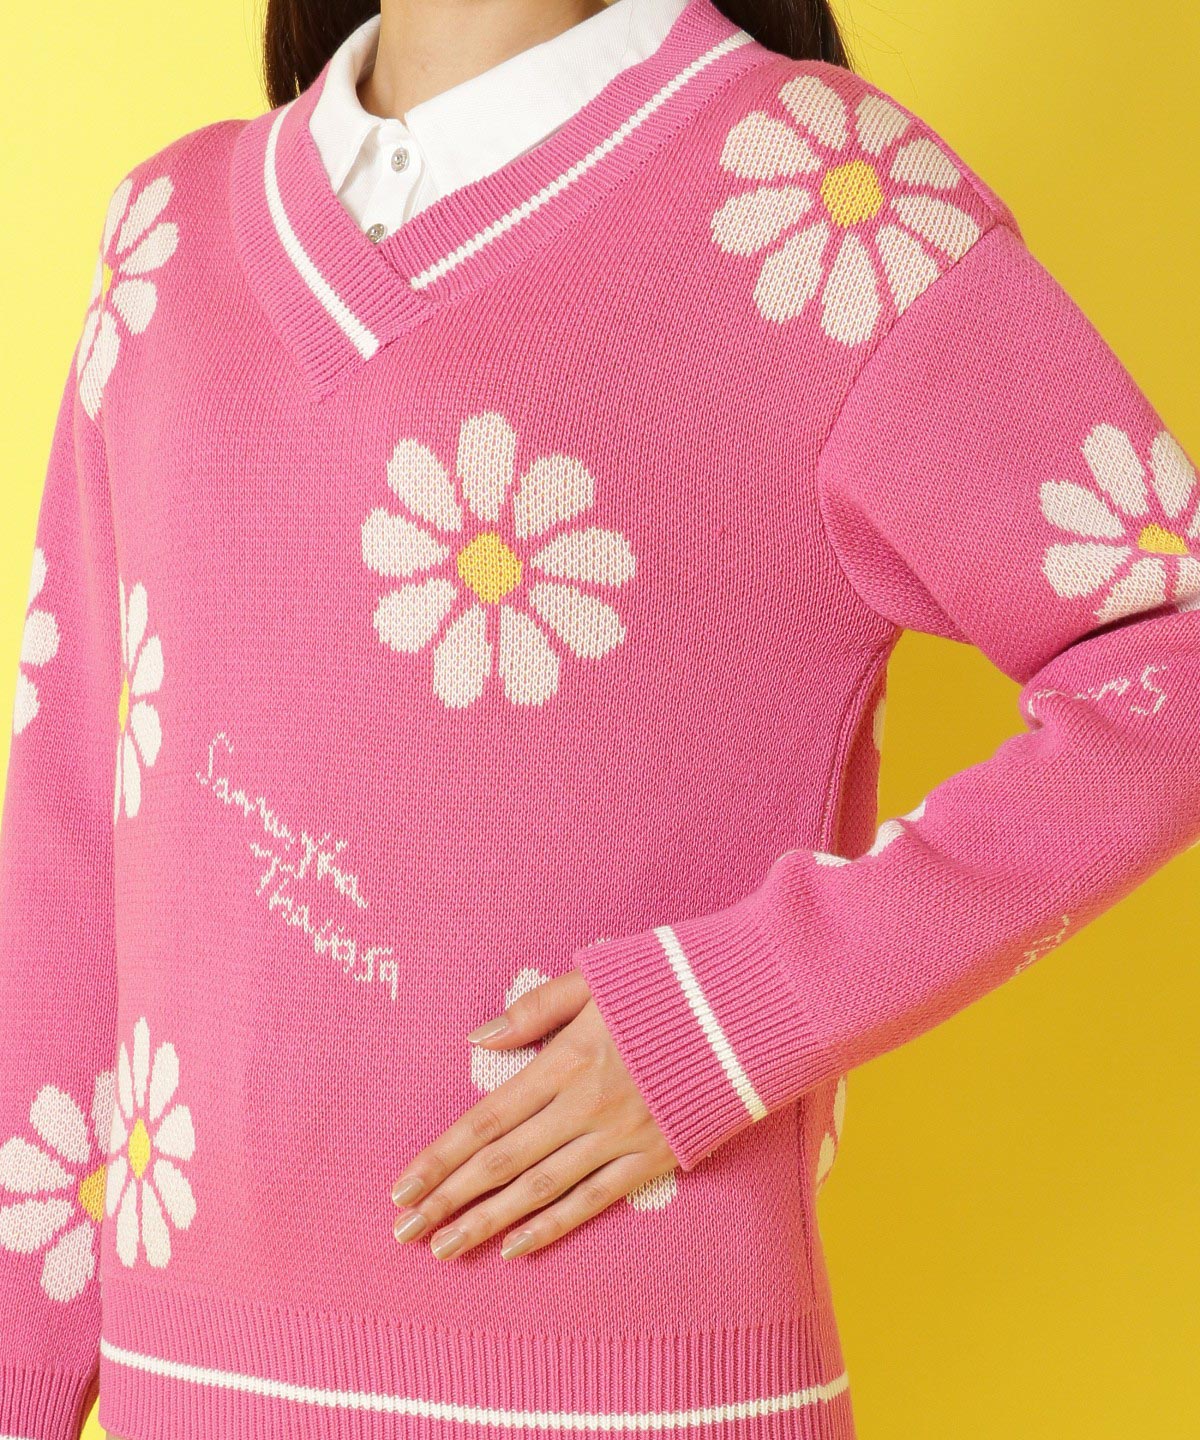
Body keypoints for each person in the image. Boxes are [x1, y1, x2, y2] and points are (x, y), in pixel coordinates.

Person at [1, 1, 1196, 1437]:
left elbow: (1174, 663)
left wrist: (744, 1013)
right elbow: (69, 844)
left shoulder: (824, 192)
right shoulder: (173, 227)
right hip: (192, 1396)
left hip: (633, 1398)